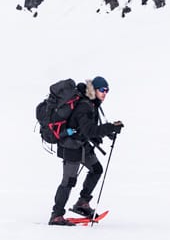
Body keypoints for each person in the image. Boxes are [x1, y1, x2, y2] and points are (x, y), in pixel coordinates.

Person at [50, 75, 122, 224]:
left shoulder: (92, 104)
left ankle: (82, 203)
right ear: (94, 90)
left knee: (96, 169)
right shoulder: (85, 106)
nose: (105, 93)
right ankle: (56, 215)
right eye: (102, 90)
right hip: (71, 145)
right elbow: (89, 130)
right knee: (68, 181)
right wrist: (110, 128)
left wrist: (107, 132)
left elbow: (86, 129)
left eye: (107, 90)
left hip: (81, 144)